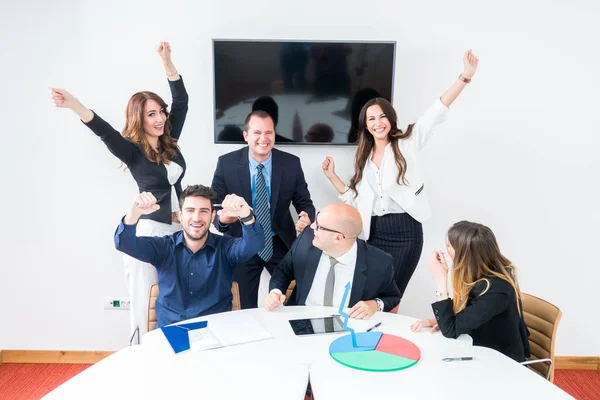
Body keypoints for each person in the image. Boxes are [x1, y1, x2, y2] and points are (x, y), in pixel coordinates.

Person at [50, 41, 189, 339]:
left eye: (161, 112)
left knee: (173, 300)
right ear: (139, 118)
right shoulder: (132, 152)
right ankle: (139, 356)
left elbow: (182, 101)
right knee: (144, 304)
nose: (160, 118)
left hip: (178, 232)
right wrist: (74, 103)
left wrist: (167, 63)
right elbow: (103, 131)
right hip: (149, 233)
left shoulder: (169, 138)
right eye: (151, 114)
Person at [322, 50, 480, 305]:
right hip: (373, 233)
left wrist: (465, 77)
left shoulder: (406, 143)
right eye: (371, 119)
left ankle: (388, 342)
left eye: (382, 116)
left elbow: (436, 112)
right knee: (370, 295)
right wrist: (332, 177)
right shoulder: (364, 156)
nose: (378, 123)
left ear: (390, 118)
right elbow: (356, 199)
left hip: (406, 232)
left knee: (392, 296)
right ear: (365, 125)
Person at [114, 186, 264, 329]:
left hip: (216, 332)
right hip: (171, 333)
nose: (196, 218)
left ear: (212, 216)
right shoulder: (163, 247)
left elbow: (254, 244)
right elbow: (123, 243)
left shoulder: (226, 248)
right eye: (190, 211)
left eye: (204, 211)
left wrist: (246, 215)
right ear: (180, 215)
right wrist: (134, 214)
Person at [211, 110, 315, 309]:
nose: (263, 138)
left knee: (300, 290)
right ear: (246, 135)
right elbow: (215, 208)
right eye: (257, 132)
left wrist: (306, 217)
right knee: (243, 303)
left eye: (269, 133)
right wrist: (225, 219)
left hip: (278, 240)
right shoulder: (227, 164)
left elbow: (305, 203)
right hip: (242, 240)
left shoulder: (291, 163)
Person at [410, 221, 530, 362]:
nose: (446, 250)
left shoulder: (497, 290)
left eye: (449, 246)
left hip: (500, 363)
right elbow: (473, 306)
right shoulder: (484, 275)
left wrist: (441, 279)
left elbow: (451, 330)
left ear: (464, 254)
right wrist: (441, 319)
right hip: (481, 350)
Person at [265, 204, 400, 319]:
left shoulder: (379, 263)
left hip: (348, 328)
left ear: (338, 238)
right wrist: (275, 292)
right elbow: (283, 271)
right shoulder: (305, 240)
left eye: (319, 226)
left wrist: (374, 305)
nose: (312, 227)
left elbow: (392, 297)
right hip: (301, 320)